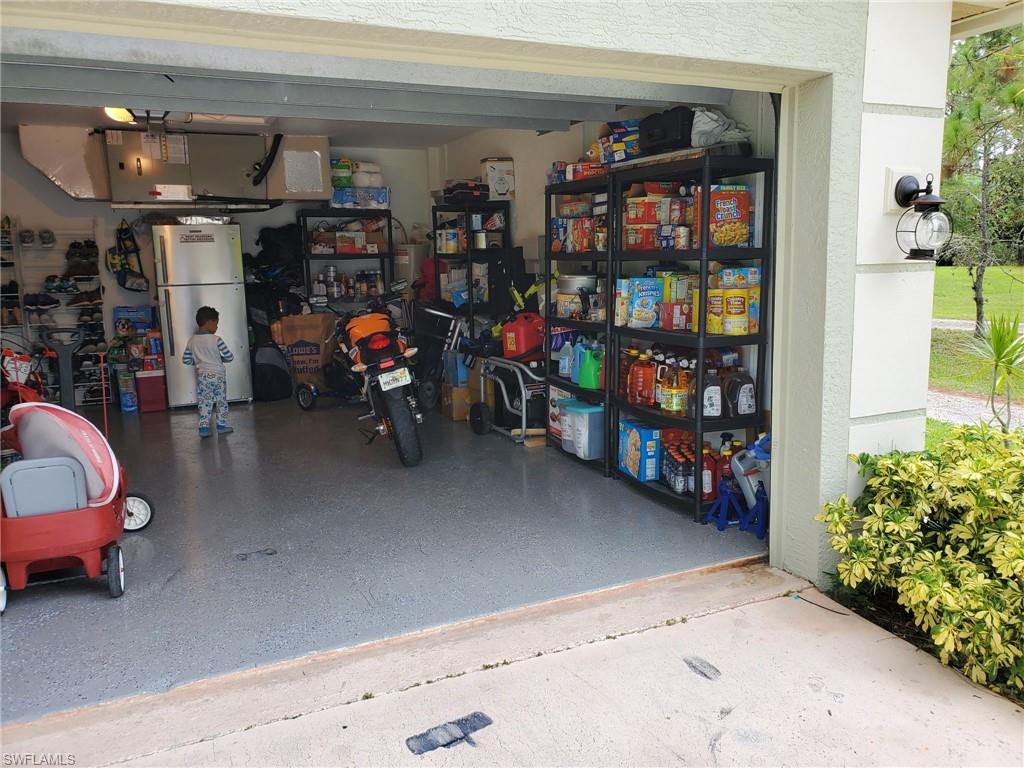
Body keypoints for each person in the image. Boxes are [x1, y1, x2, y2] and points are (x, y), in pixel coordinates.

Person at [182, 305, 234, 438]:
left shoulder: (192, 340)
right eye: (216, 324)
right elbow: (230, 356)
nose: (216, 327)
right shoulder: (216, 339)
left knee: (205, 402)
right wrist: (219, 358)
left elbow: (186, 360)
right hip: (218, 376)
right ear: (210, 322)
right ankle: (221, 426)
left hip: (203, 376)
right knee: (221, 400)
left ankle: (204, 428)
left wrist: (199, 362)